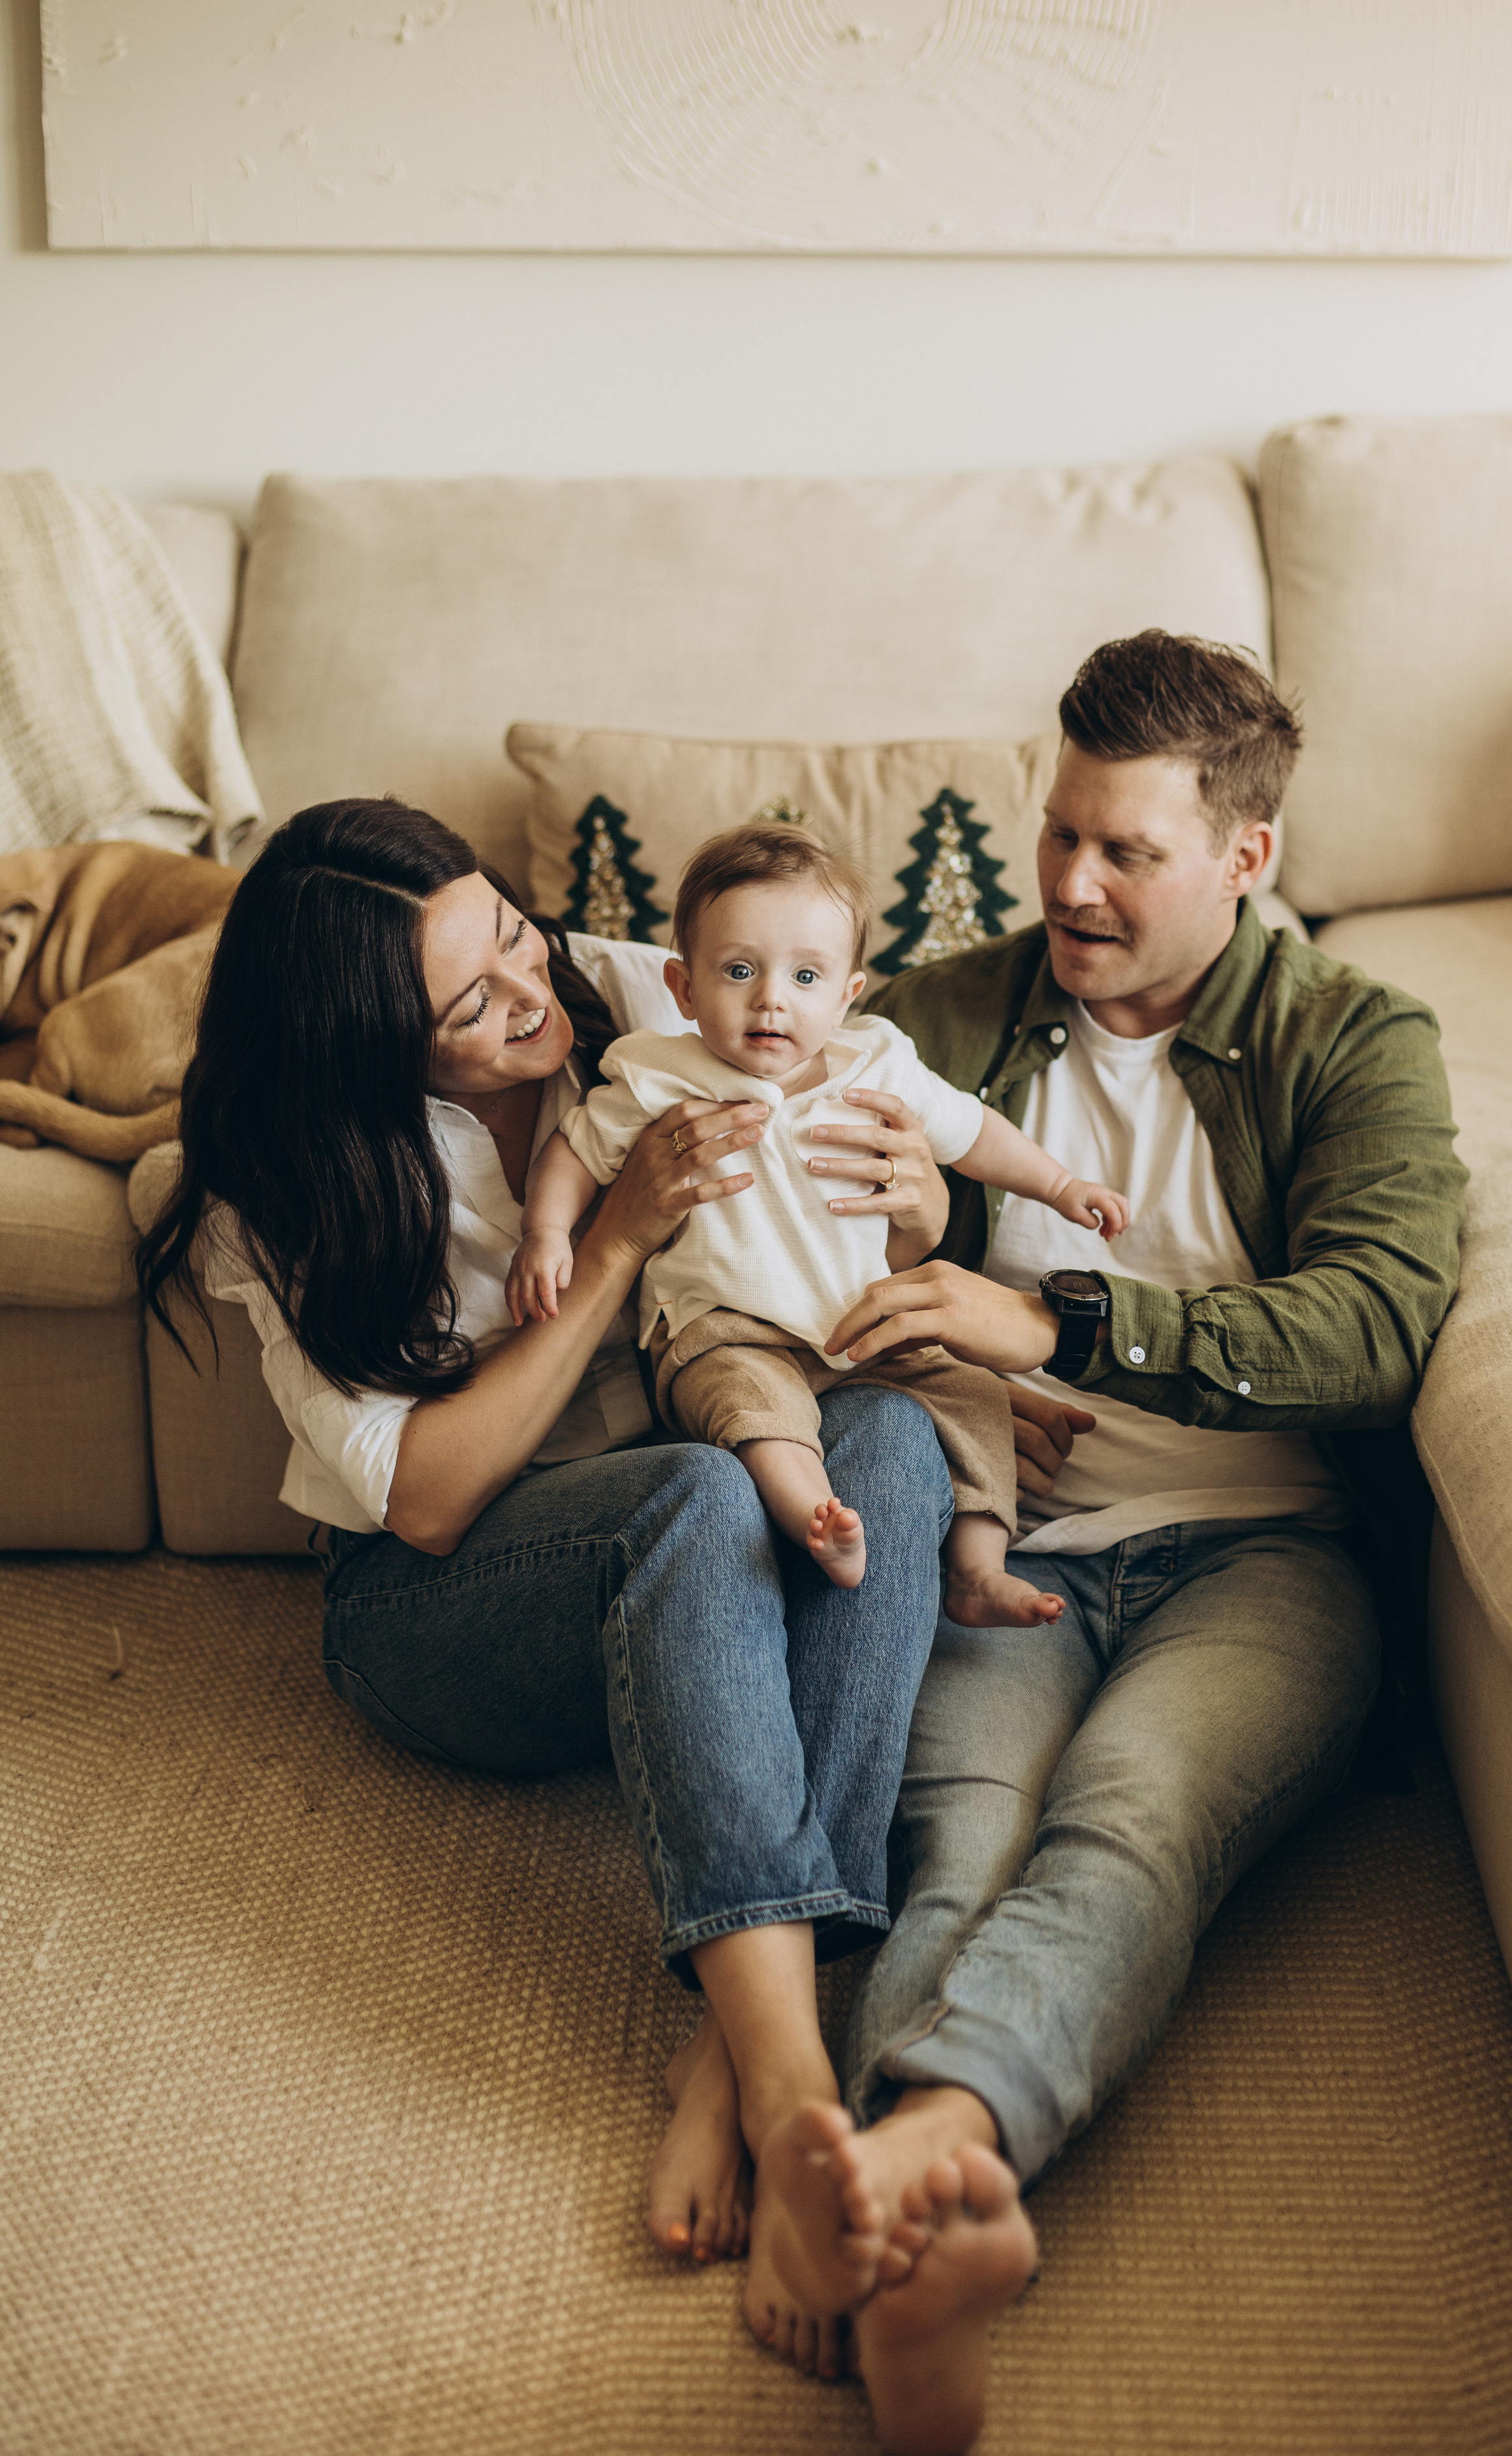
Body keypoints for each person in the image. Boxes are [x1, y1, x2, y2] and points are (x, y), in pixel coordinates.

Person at [132, 796, 978, 2386]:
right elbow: (432, 1501)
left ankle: (727, 2060)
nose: (528, 994)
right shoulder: (287, 1176)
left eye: (507, 934)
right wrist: (612, 1247)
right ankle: (802, 2089)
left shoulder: (648, 989)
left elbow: (877, 1124)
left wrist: (923, 1203)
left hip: (706, 1529)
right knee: (691, 1489)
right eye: (468, 1003)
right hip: (442, 1611)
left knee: (889, 1439)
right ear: (366, 1045)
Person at [745, 630, 1469, 2456]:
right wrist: (904, 1258)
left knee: (1130, 1814)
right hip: (1016, 1545)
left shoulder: (1354, 1040)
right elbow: (777, 1249)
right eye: (1059, 832)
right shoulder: (942, 1016)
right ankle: (932, 2208)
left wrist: (1057, 1321)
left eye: (1126, 853)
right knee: (960, 1834)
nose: (1067, 882)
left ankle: (909, 2161)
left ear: (1247, 858)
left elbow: (1376, 1325)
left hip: (1268, 1555)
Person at [508, 823, 1128, 1631]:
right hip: (723, 1325)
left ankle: (976, 1567)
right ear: (684, 987)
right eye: (738, 971)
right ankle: (816, 1518)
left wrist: (1060, 1183)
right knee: (752, 1407)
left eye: (806, 975)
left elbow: (973, 1134)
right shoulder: (658, 1072)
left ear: (847, 993)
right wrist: (548, 1233)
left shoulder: (878, 1063)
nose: (772, 998)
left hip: (859, 1318)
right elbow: (575, 1150)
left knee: (975, 1399)